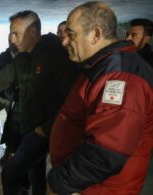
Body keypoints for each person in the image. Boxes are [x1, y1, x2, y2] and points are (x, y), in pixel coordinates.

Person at [0, 10, 77, 195]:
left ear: (33, 32)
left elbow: (73, 102)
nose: (12, 39)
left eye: (16, 33)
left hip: (45, 131)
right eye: (11, 33)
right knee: (36, 176)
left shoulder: (58, 55)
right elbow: (1, 79)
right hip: (31, 129)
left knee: (10, 173)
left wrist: (46, 129)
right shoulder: (22, 57)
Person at [48, 2, 153, 195]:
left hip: (97, 189)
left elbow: (107, 150)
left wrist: (60, 182)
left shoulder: (121, 76)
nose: (64, 42)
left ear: (95, 35)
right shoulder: (102, 67)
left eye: (71, 35)